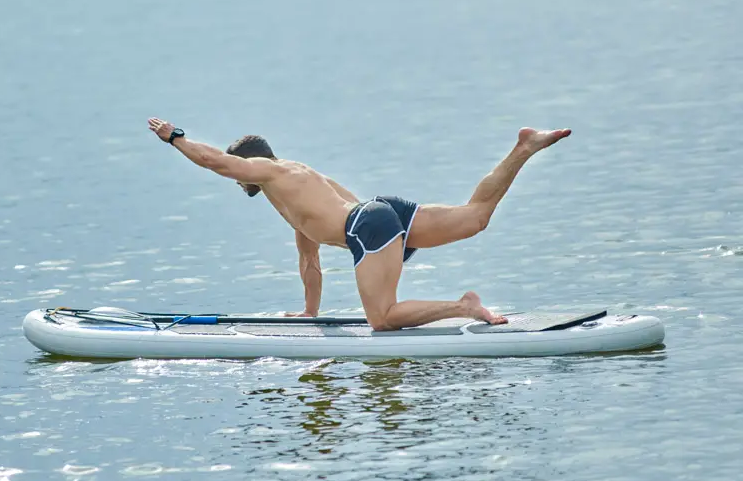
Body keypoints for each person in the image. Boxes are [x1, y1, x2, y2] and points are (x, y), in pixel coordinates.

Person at [148, 117, 571, 330]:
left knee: (381, 319)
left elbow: (214, 162)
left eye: (242, 174)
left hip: (367, 226)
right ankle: (525, 147)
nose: (238, 181)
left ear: (252, 165)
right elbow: (308, 256)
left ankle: (465, 307)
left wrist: (175, 137)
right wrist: (310, 313)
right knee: (475, 217)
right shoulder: (299, 184)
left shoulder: (270, 173)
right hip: (379, 212)